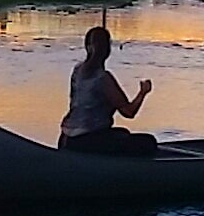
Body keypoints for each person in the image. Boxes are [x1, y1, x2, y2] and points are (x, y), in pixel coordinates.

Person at [58, 23, 158, 156]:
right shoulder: (103, 79)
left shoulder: (77, 70)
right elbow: (129, 112)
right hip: (86, 141)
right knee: (148, 142)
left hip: (66, 138)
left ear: (87, 47)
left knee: (122, 133)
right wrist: (143, 92)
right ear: (108, 50)